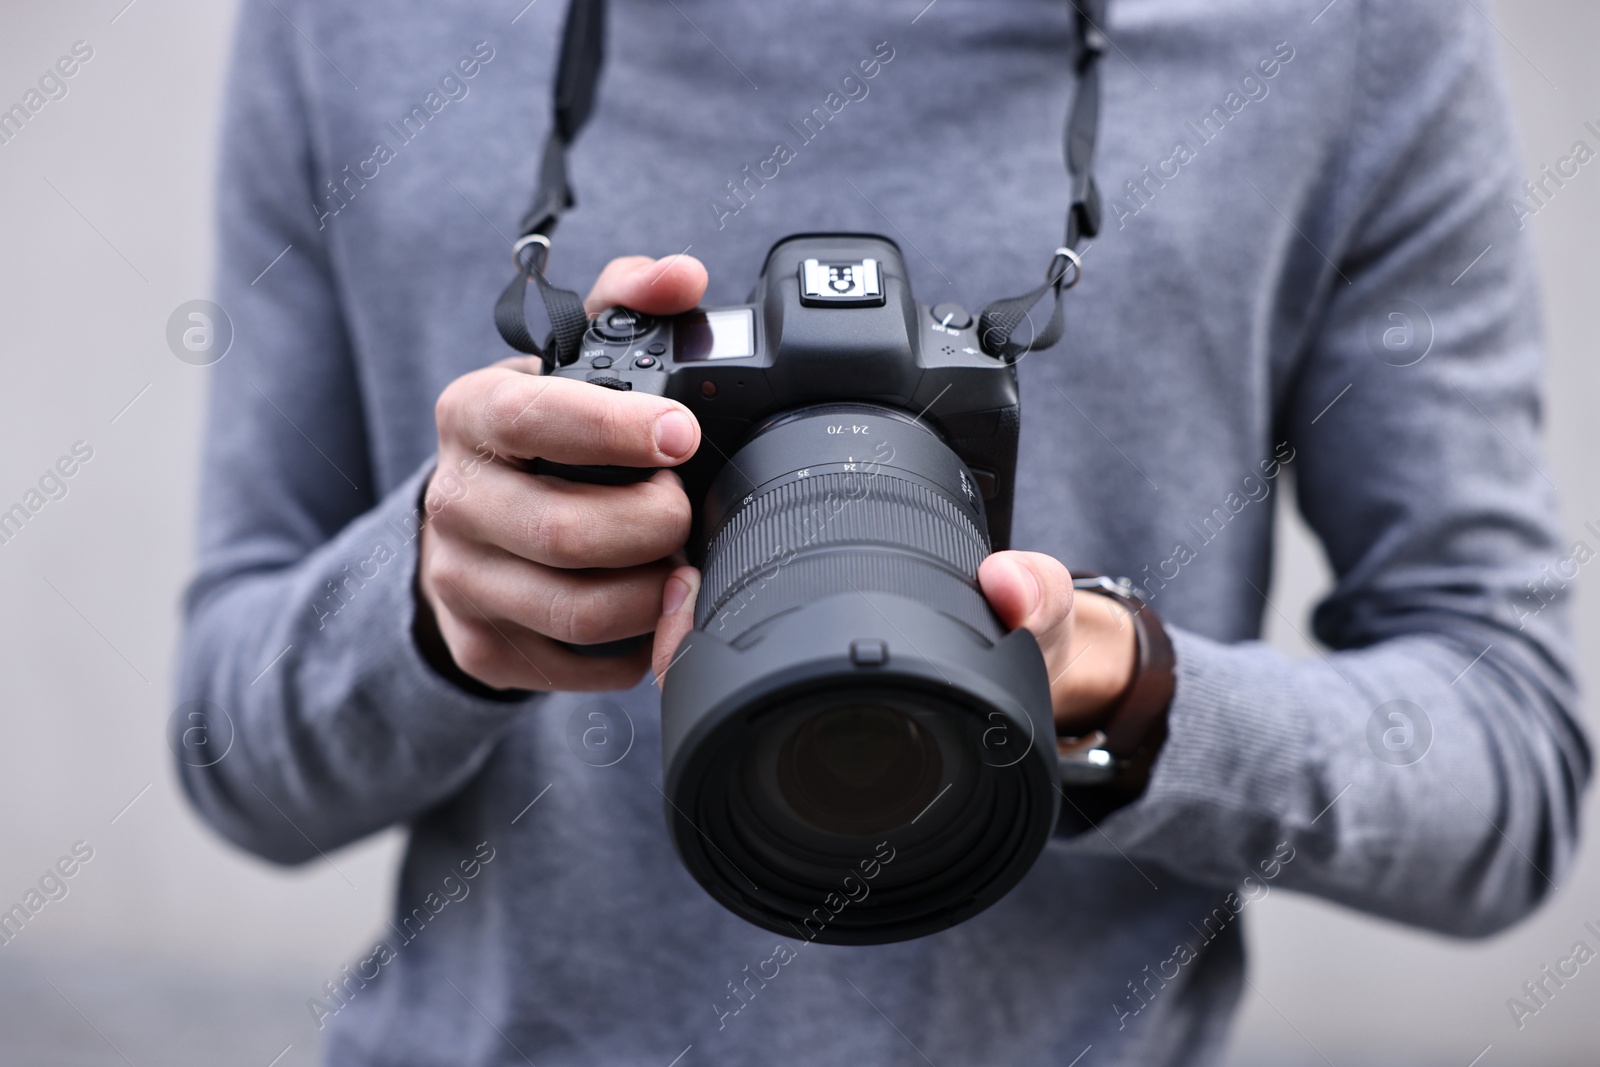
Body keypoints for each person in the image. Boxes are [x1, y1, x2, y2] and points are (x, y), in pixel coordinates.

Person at [176, 0, 1588, 1063]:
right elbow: (233, 761)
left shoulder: (1345, 32)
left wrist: (1112, 689)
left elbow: (1508, 770)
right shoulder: (353, 22)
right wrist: (437, 601)